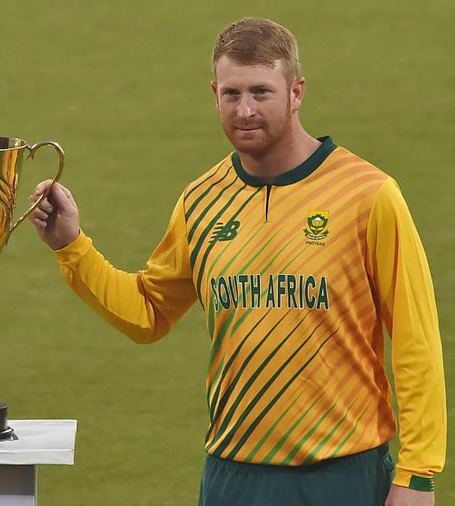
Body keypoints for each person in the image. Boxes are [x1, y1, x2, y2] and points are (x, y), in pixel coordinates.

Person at [29, 17, 445, 506]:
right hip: (234, 477)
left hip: (342, 476)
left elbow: (417, 341)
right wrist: (72, 245)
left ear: (296, 92)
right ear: (214, 94)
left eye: (261, 92)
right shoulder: (201, 201)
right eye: (231, 94)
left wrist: (417, 474)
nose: (245, 110)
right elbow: (149, 312)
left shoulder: (368, 195)